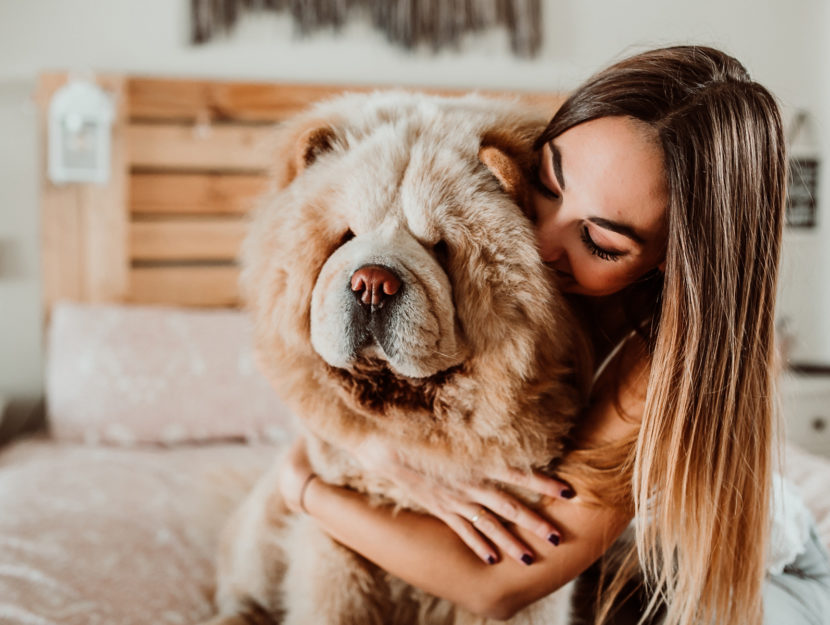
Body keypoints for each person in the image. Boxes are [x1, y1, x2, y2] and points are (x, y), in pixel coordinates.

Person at [277, 45, 830, 624]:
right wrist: (370, 447)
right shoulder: (494, 247)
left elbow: (496, 588)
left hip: (754, 591)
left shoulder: (661, 364)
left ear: (672, 262)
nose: (541, 245)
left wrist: (303, 487)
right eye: (547, 184)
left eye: (601, 242)